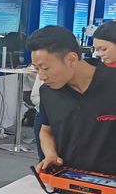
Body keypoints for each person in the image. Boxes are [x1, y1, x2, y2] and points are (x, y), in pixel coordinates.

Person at [28, 25, 116, 176]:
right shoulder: (48, 92)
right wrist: (50, 154)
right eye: (37, 69)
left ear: (71, 59)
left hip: (109, 182)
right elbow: (46, 131)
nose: (41, 77)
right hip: (67, 179)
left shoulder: (112, 82)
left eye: (45, 68)